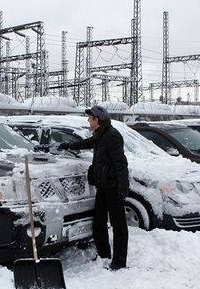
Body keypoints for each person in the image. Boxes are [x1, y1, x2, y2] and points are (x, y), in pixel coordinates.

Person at [59, 105, 129, 271]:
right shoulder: (101, 134)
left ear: (97, 119)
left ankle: (119, 262)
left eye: (90, 118)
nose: (88, 120)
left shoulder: (112, 136)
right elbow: (87, 143)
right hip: (103, 186)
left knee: (118, 225)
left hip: (114, 186)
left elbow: (121, 164)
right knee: (98, 222)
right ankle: (104, 254)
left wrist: (123, 188)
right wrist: (68, 146)